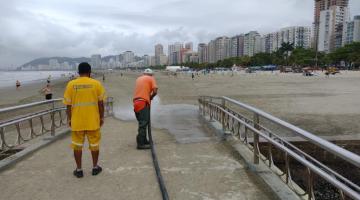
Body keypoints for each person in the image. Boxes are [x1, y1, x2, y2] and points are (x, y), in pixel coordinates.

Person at [63, 62, 106, 178]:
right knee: (94, 145)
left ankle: (79, 169)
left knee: (77, 146)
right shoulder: (96, 84)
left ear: (78, 72)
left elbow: (68, 105)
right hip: (93, 120)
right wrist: (102, 117)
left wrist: (69, 119)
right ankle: (95, 167)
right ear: (90, 72)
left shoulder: (71, 84)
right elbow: (101, 103)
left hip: (77, 121)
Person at [133, 68, 158, 150]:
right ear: (151, 74)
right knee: (143, 123)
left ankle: (144, 140)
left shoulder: (138, 79)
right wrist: (151, 97)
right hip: (143, 102)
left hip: (136, 102)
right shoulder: (151, 78)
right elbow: (155, 91)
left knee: (143, 122)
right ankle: (140, 144)